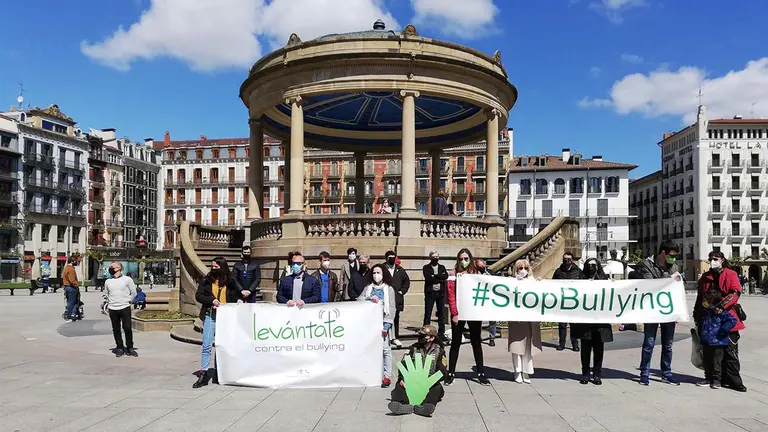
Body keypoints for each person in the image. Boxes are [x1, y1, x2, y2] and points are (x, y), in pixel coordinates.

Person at [693, 251, 747, 392]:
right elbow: (700, 297)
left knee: (730, 353)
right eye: (710, 259)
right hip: (708, 320)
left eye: (715, 259)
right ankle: (712, 377)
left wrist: (721, 306)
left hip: (727, 317)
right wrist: (696, 315)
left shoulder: (730, 274)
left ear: (722, 259)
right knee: (708, 352)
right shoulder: (705, 277)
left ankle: (734, 381)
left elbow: (735, 292)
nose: (713, 261)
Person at [193, 257, 244, 388]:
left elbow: (237, 294)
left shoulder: (231, 280)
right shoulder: (207, 279)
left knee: (222, 345)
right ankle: (203, 373)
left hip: (226, 317)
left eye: (216, 267)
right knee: (207, 344)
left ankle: (219, 371)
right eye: (212, 267)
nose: (214, 269)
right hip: (211, 315)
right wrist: (211, 300)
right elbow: (199, 295)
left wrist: (238, 300)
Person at [637, 241, 682, 386]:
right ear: (663, 253)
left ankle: (666, 373)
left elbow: (678, 285)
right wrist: (667, 280)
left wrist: (679, 280)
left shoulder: (674, 266)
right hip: (652, 309)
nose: (673, 259)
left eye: (675, 256)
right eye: (671, 255)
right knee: (649, 343)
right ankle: (644, 373)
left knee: (668, 344)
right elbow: (649, 284)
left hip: (668, 309)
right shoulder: (647, 264)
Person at [446, 248, 489, 386]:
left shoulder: (476, 273)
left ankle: (481, 373)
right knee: (455, 343)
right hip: (459, 312)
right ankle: (451, 373)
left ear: (470, 259)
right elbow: (451, 295)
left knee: (476, 342)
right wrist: (454, 313)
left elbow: (490, 281)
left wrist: (483, 269)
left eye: (466, 259)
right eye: (461, 259)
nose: (463, 261)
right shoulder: (453, 274)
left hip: (473, 312)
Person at [388, 325, 447, 417]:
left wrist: (429, 382)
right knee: (398, 387)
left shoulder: (439, 351)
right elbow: (404, 364)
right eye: (420, 335)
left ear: (432, 338)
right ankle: (402, 405)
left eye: (423, 336)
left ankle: (425, 406)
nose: (420, 337)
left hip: (429, 382)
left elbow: (442, 371)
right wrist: (401, 379)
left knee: (437, 389)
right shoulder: (413, 348)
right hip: (412, 381)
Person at [571, 258, 613, 385]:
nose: (591, 267)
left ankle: (596, 374)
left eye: (593, 265)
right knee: (585, 349)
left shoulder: (604, 279)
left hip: (600, 321)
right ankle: (585, 374)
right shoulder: (580, 279)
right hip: (585, 322)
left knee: (599, 350)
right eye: (588, 265)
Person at [358, 263, 397, 388]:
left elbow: (391, 308)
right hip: (370, 324)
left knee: (386, 350)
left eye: (378, 273)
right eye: (374, 273)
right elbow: (359, 300)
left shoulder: (389, 289)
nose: (376, 275)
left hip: (383, 324)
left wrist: (386, 326)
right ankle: (371, 373)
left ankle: (387, 376)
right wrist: (369, 298)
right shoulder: (368, 288)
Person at [507, 259, 542, 384]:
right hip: (516, 318)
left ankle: (526, 371)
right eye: (520, 268)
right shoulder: (511, 281)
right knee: (516, 345)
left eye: (526, 268)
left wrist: (539, 282)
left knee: (528, 346)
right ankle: (517, 371)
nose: (523, 271)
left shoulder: (532, 281)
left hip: (529, 318)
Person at [105, 262, 138, 357]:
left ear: (119, 268)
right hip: (113, 308)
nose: (110, 268)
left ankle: (130, 347)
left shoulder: (127, 280)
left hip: (124, 307)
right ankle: (119, 347)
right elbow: (107, 293)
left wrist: (128, 301)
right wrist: (110, 302)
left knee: (127, 327)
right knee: (116, 329)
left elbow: (134, 293)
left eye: (112, 267)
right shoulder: (108, 281)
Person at [552, 252, 582, 351]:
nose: (566, 261)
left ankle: (575, 344)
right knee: (562, 324)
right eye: (565, 259)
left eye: (568, 259)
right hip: (562, 301)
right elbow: (551, 284)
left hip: (575, 301)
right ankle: (561, 344)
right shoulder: (558, 272)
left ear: (572, 260)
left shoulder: (578, 272)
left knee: (574, 325)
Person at [384, 250, 410, 348]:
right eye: (389, 257)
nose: (391, 259)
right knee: (385, 318)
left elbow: (406, 282)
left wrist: (402, 291)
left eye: (393, 257)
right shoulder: (382, 268)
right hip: (385, 297)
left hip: (396, 298)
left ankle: (395, 337)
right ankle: (386, 337)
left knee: (396, 318)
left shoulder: (400, 270)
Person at [422, 251, 448, 341]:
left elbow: (446, 276)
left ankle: (441, 333)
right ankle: (426, 332)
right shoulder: (426, 267)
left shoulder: (442, 267)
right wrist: (439, 278)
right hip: (430, 293)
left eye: (437, 256)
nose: (435, 258)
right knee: (427, 314)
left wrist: (435, 276)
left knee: (441, 315)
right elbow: (428, 278)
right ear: (430, 258)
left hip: (440, 294)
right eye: (433, 257)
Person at [475, 258, 497, 347]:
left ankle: (492, 338)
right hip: (481, 298)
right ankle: (478, 337)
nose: (481, 267)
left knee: (492, 320)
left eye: (482, 265)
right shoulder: (475, 274)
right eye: (479, 266)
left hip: (491, 298)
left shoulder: (491, 272)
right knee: (478, 319)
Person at [62, 256, 80, 322]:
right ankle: (70, 316)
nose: (76, 262)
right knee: (71, 302)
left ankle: (73, 315)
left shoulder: (66, 268)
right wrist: (77, 285)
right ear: (72, 261)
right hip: (71, 287)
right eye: (75, 261)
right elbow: (72, 280)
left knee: (70, 302)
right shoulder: (71, 269)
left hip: (67, 287)